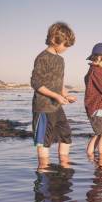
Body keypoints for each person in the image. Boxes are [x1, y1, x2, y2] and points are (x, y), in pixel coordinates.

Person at [30, 22, 77, 168]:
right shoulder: (42, 57)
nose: (66, 48)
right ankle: (43, 169)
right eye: (65, 45)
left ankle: (64, 166)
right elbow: (36, 83)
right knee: (44, 141)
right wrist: (55, 96)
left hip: (56, 107)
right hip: (44, 107)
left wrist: (64, 94)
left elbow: (58, 82)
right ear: (53, 40)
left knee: (66, 135)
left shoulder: (60, 59)